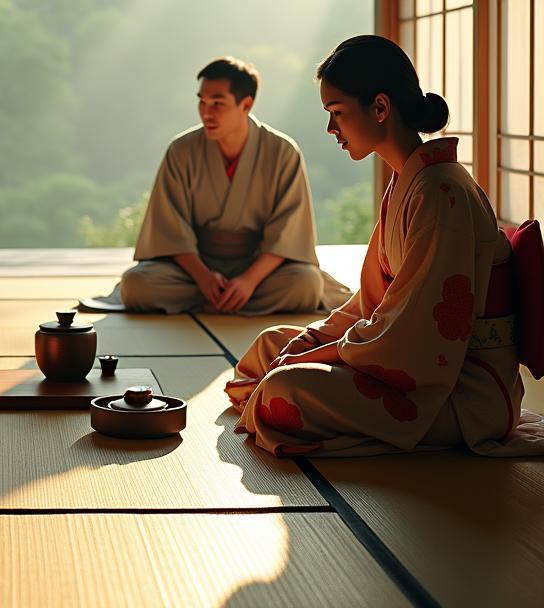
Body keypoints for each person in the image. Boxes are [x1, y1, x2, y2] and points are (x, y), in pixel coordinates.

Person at [227, 35, 544, 457]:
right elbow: (374, 303)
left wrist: (326, 353)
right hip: (407, 361)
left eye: (337, 113)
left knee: (282, 388)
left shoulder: (440, 191)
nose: (330, 129)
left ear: (380, 107)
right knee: (270, 345)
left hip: (460, 390)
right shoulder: (409, 180)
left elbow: (416, 334)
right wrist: (314, 340)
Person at [86, 57, 349, 315]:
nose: (206, 112)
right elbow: (170, 228)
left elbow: (288, 233)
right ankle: (222, 297)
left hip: (258, 266)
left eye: (217, 103)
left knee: (305, 284)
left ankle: (224, 298)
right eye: (202, 102)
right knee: (137, 285)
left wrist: (248, 281)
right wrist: (204, 278)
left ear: (246, 104)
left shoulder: (282, 151)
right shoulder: (182, 150)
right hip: (195, 268)